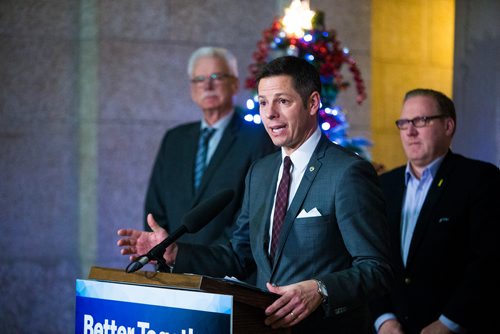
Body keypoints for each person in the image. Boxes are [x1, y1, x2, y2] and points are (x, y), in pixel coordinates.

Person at [118, 56, 393, 333]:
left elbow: (377, 269)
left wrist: (320, 289)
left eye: (283, 102)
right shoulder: (260, 172)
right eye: (263, 103)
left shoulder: (347, 172)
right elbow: (239, 256)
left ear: (312, 103)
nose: (270, 113)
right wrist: (176, 252)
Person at [369, 88, 500, 334]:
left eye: (422, 120)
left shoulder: (481, 179)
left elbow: (488, 260)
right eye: (404, 122)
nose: (410, 131)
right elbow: (373, 259)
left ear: (448, 126)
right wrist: (384, 318)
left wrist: (449, 323)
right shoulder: (384, 185)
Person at [143, 46, 276, 250]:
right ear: (191, 88)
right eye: (199, 79)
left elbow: (251, 216)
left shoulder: (258, 138)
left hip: (225, 271)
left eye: (217, 76)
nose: (208, 85)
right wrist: (164, 254)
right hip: (172, 270)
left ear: (234, 83)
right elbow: (155, 208)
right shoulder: (174, 139)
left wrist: (200, 259)